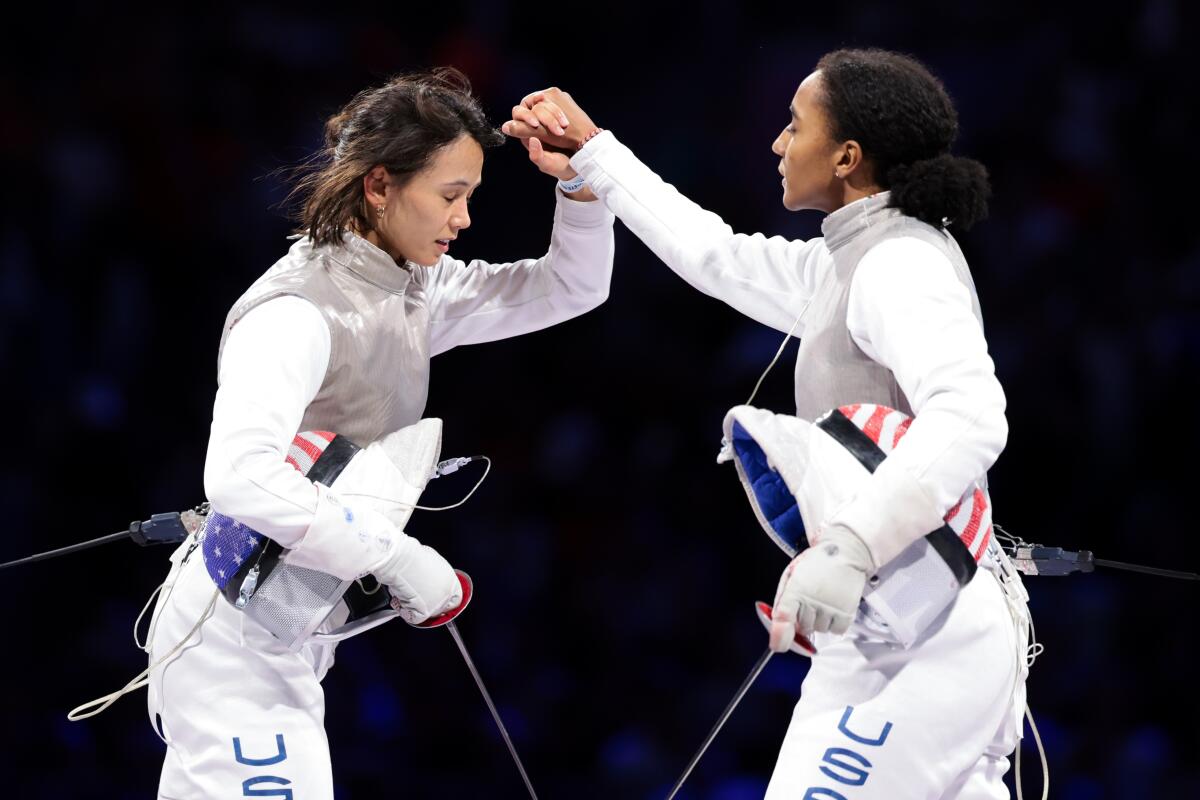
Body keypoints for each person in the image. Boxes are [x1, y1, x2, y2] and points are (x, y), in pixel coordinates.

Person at [504, 49, 1031, 798]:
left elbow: (973, 414)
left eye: (795, 126)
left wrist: (850, 547)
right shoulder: (847, 264)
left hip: (920, 636)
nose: (779, 144)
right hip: (910, 622)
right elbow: (714, 256)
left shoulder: (899, 265)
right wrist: (594, 155)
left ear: (847, 155)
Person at [143, 67, 614, 799]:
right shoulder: (296, 312)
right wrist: (396, 557)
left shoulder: (415, 289)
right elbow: (237, 477)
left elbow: (571, 287)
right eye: (450, 196)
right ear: (380, 186)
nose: (462, 220)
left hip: (282, 637)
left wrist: (582, 184)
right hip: (230, 646)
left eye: (470, 198)